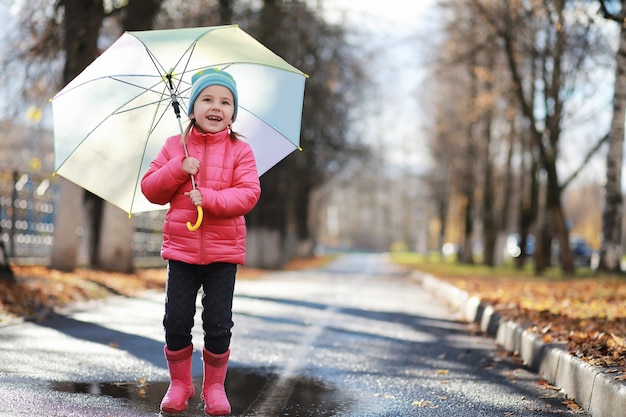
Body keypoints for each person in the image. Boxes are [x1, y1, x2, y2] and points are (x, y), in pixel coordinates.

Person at [141, 68, 261, 416]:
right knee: (176, 319)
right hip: (182, 250)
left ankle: (214, 387)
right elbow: (151, 189)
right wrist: (179, 168)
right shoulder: (174, 147)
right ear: (192, 108)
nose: (216, 107)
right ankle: (180, 384)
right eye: (207, 99)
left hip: (224, 252)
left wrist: (207, 197)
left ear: (233, 113)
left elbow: (248, 195)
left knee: (218, 321)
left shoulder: (241, 150)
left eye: (225, 102)